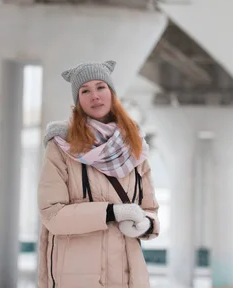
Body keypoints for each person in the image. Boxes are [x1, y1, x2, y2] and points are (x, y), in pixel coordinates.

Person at [38, 60, 160, 288]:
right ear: (78, 100)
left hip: (127, 276)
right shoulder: (62, 146)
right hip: (77, 276)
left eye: (101, 87)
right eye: (85, 90)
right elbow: (52, 215)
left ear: (112, 93)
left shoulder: (134, 145)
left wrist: (146, 223)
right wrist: (112, 212)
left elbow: (149, 209)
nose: (95, 95)